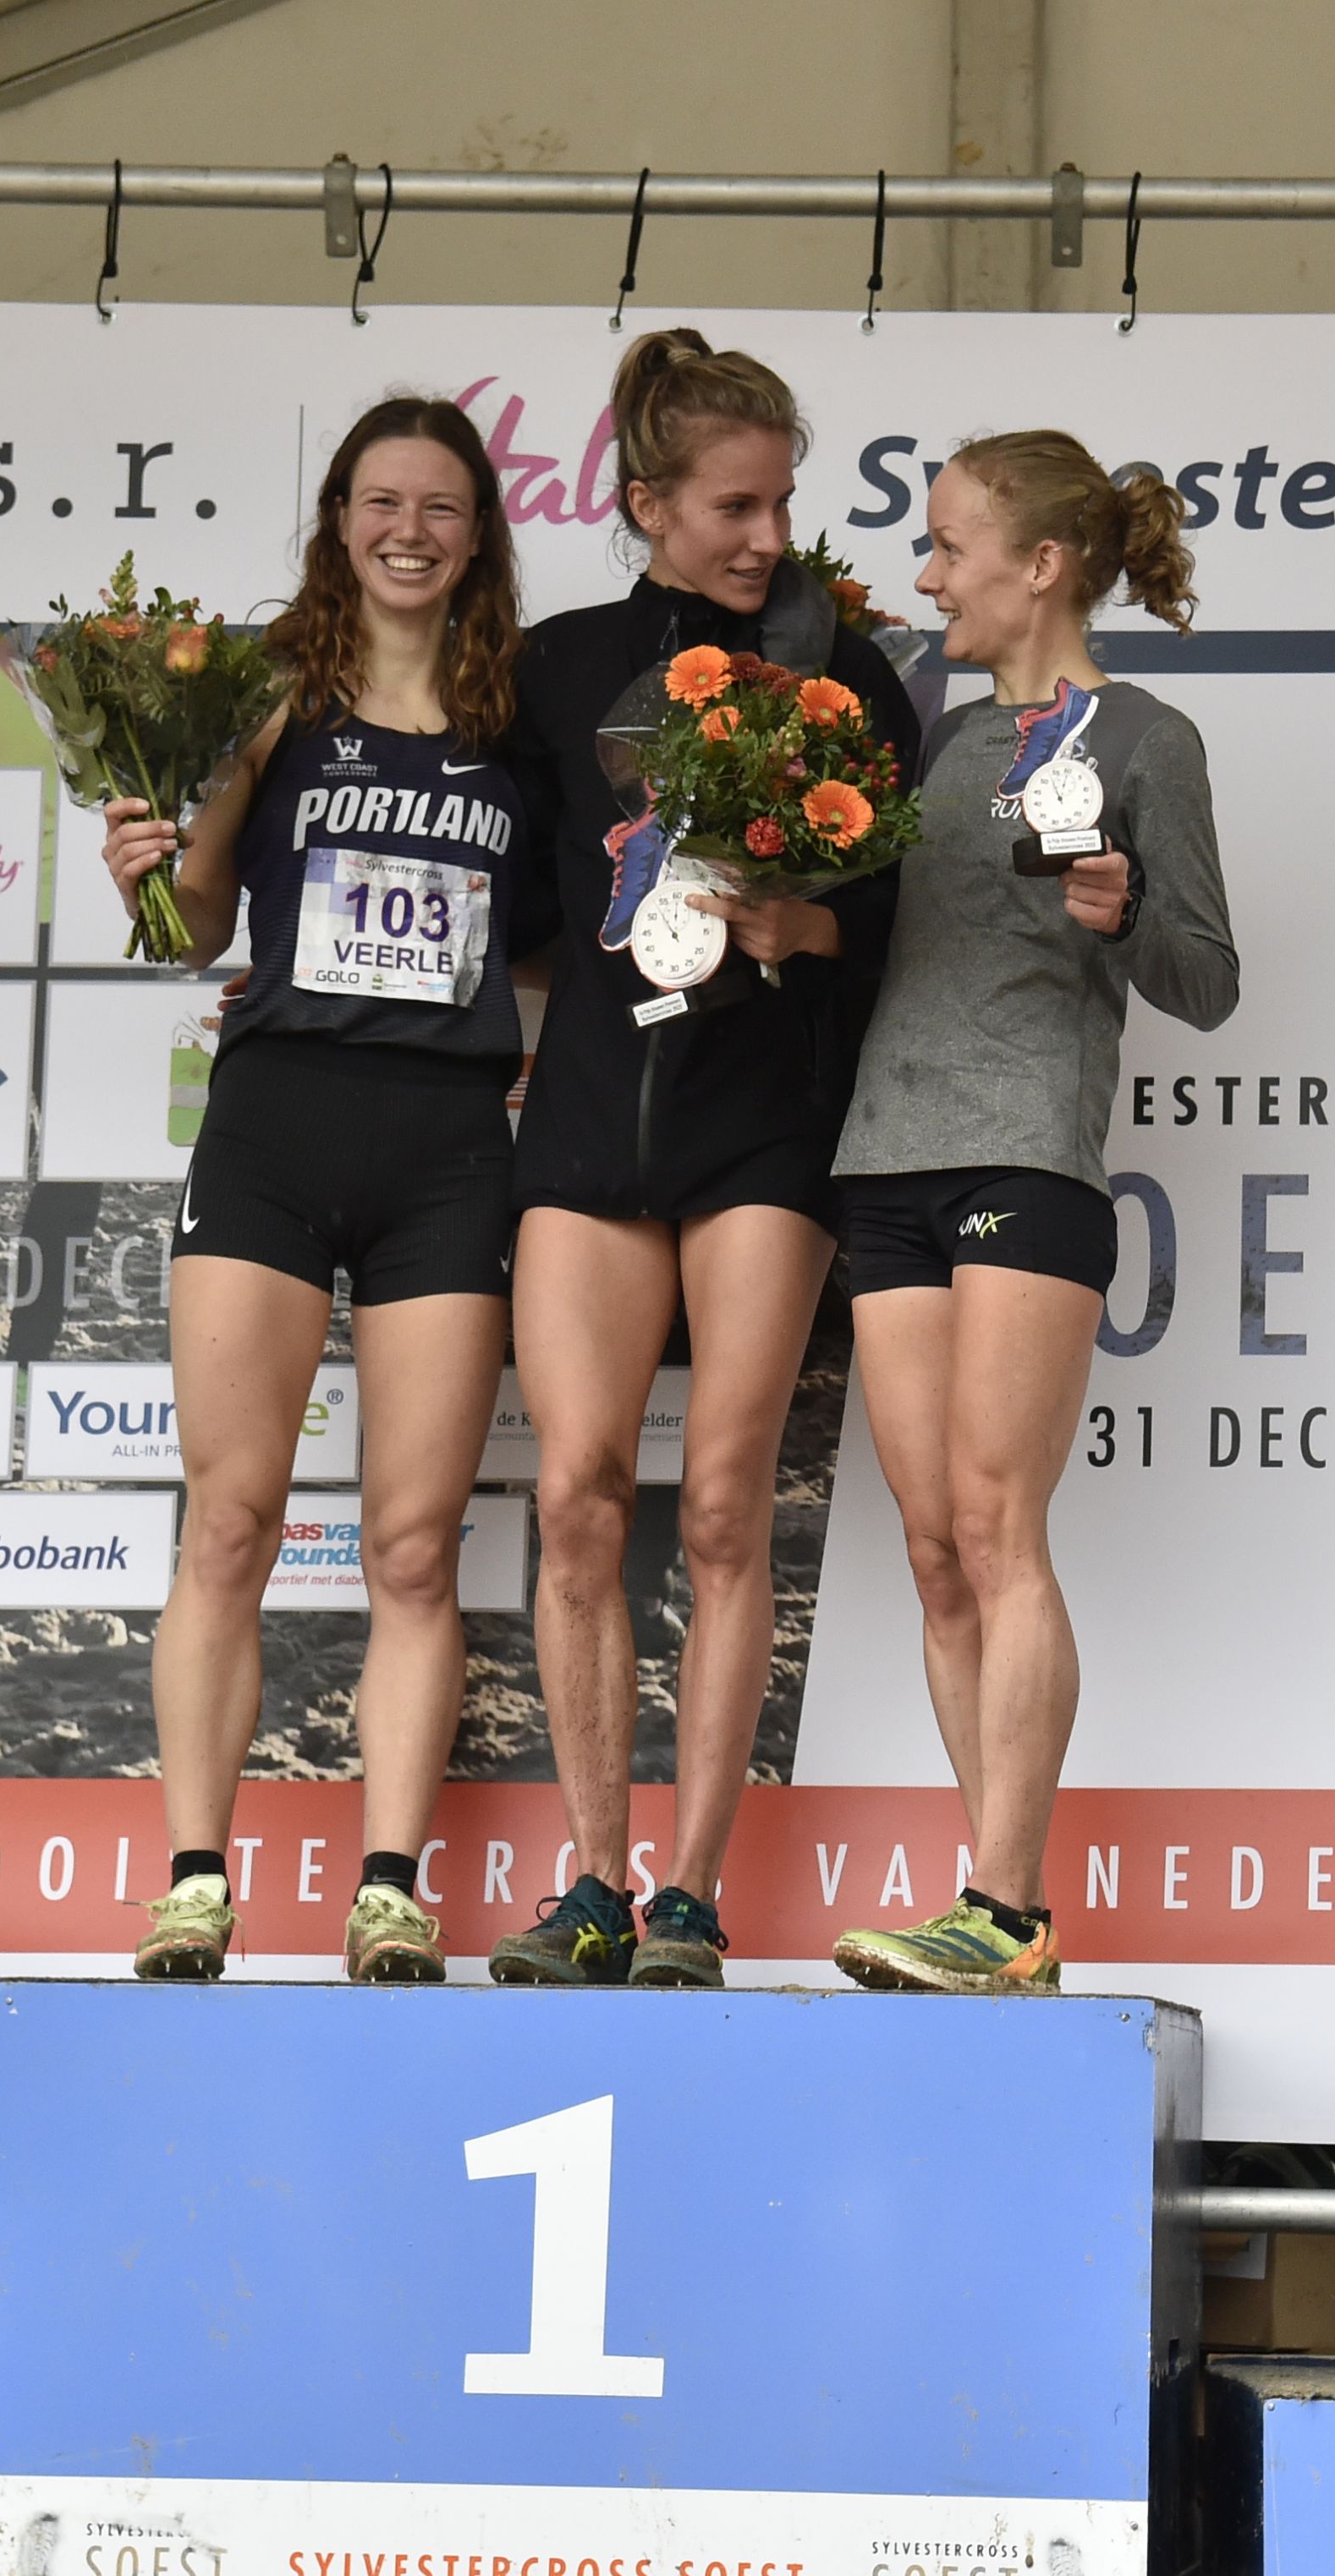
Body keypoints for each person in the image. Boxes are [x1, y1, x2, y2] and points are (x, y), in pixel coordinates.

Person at [99, 396, 557, 1986]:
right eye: (382, 502)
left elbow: (548, 951)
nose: (408, 532)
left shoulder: (520, 723)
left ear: (479, 533)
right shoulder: (271, 697)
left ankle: (388, 1889)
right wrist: (144, 872)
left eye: (440, 507)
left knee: (413, 1548)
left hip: (448, 1148)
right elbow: (193, 926)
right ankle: (194, 1881)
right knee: (228, 1522)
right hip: (277, 1128)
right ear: (339, 519)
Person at [489, 330, 926, 1990]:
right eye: (736, 507)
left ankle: (687, 1893)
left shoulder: (843, 669)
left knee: (730, 1499)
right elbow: (511, 912)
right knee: (579, 1495)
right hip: (594, 1114)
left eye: (782, 504)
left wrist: (804, 924)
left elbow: (897, 918)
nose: (767, 538)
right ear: (648, 502)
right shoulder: (558, 668)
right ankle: (593, 1879)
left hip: (763, 1122)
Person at [827, 433, 1236, 1994]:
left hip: (1026, 1159)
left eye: (949, 547)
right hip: (884, 1158)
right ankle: (1001, 1922)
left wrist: (1119, 913)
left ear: (1042, 565)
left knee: (1000, 1527)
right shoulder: (932, 736)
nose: (927, 576)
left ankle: (1001, 1903)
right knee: (936, 1549)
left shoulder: (1148, 739)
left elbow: (1208, 979)